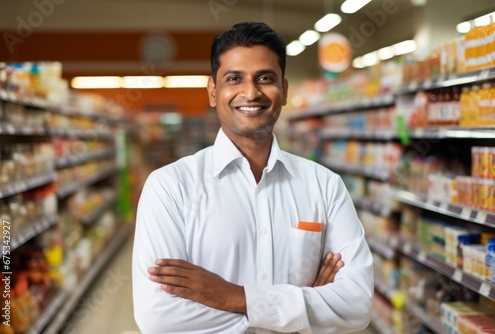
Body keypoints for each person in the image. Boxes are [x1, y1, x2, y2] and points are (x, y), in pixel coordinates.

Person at [132, 21, 374, 334]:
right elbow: (158, 316)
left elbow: (356, 305)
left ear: (284, 91)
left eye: (265, 78)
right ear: (213, 91)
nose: (251, 92)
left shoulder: (324, 185)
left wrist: (230, 296)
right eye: (234, 78)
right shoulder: (170, 187)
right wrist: (304, 305)